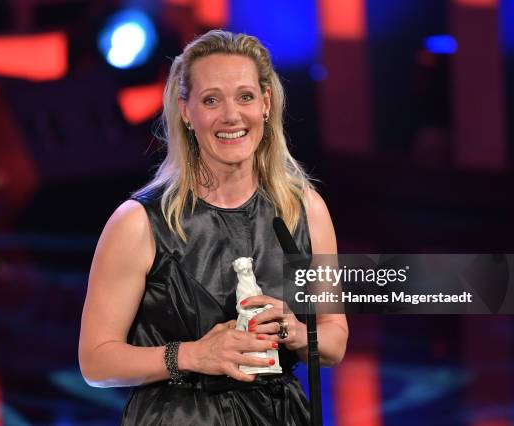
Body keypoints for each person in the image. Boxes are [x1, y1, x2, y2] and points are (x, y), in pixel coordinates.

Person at [78, 29, 348, 425]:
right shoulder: (138, 223)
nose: (231, 116)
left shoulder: (304, 209)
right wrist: (191, 355)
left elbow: (335, 340)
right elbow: (96, 361)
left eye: (245, 96)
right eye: (210, 100)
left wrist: (292, 328)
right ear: (186, 112)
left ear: (266, 103)